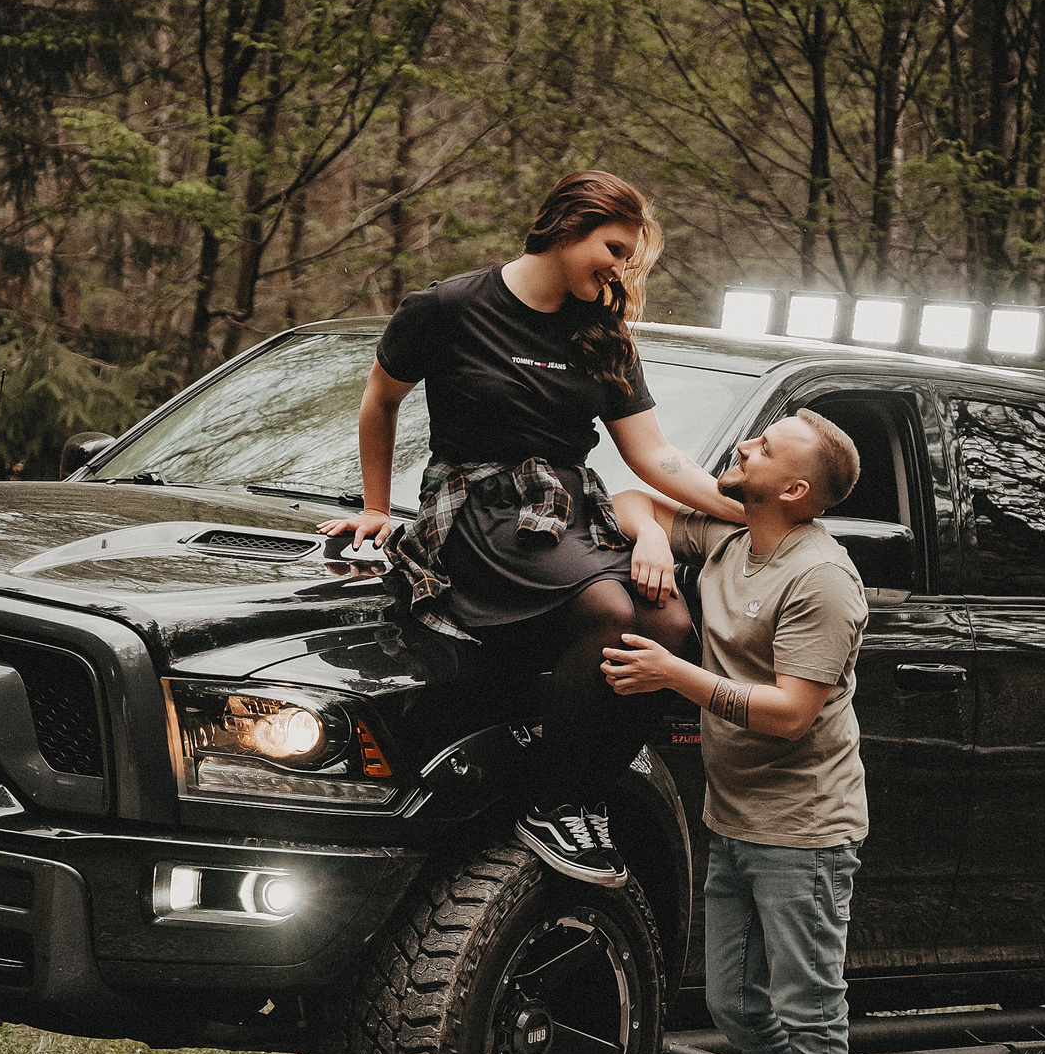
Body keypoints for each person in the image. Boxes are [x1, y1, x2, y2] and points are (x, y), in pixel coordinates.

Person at [317, 170, 741, 886]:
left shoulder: (604, 333)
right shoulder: (449, 307)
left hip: (570, 512)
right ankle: (555, 800)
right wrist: (378, 508)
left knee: (669, 628)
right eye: (612, 247)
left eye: (627, 257)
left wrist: (748, 509)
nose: (619, 268)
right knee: (611, 611)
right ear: (567, 226)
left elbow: (656, 455)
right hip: (478, 508)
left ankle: (581, 796)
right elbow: (379, 400)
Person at [601, 413, 911, 1054]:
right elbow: (631, 495)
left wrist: (676, 674)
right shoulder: (736, 534)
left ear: (795, 489)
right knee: (737, 1006)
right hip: (734, 816)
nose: (741, 448)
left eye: (763, 447)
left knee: (809, 1012)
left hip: (806, 827)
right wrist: (655, 543)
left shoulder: (822, 579)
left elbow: (789, 713)